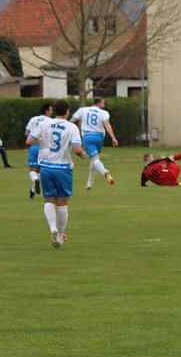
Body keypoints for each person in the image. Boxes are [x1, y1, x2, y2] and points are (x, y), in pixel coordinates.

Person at [26, 99, 88, 248]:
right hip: (63, 168)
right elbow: (77, 149)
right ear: (67, 112)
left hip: (46, 167)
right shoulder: (71, 127)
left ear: (54, 110)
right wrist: (83, 155)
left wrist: (44, 144)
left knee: (48, 200)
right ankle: (60, 234)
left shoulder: (44, 123)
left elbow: (29, 141)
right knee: (62, 203)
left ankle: (52, 228)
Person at [70, 97, 118, 189]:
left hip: (88, 137)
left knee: (95, 160)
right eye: (103, 103)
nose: (104, 105)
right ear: (98, 103)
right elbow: (107, 125)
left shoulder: (82, 110)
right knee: (94, 159)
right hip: (99, 138)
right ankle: (89, 183)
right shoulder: (104, 113)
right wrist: (113, 138)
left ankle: (105, 172)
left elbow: (72, 120)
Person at [25, 102, 54, 198]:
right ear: (46, 111)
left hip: (33, 147)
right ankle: (34, 186)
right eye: (50, 110)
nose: (52, 112)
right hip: (44, 148)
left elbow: (27, 133)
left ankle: (33, 187)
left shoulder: (33, 119)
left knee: (33, 170)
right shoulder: (51, 121)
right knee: (41, 170)